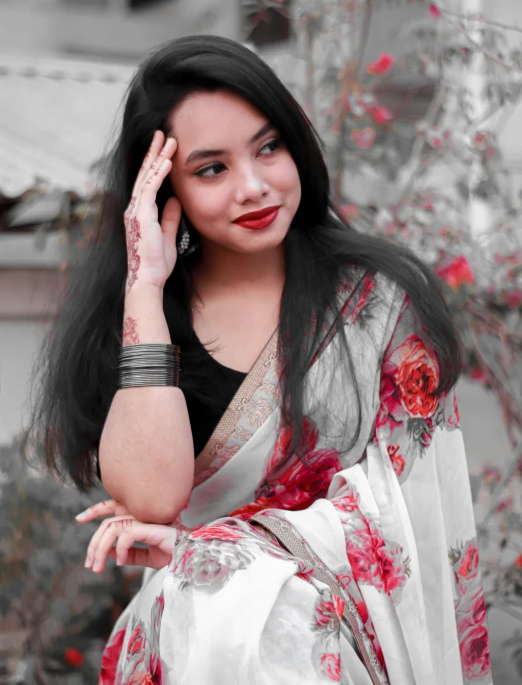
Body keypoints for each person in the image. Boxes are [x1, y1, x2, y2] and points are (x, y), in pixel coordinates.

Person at [25, 35, 492, 685]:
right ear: (165, 188)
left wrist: (220, 551)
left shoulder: (376, 302)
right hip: (197, 644)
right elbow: (154, 498)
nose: (253, 185)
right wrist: (144, 289)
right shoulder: (151, 314)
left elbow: (415, 513)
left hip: (339, 648)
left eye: (268, 147)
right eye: (212, 168)